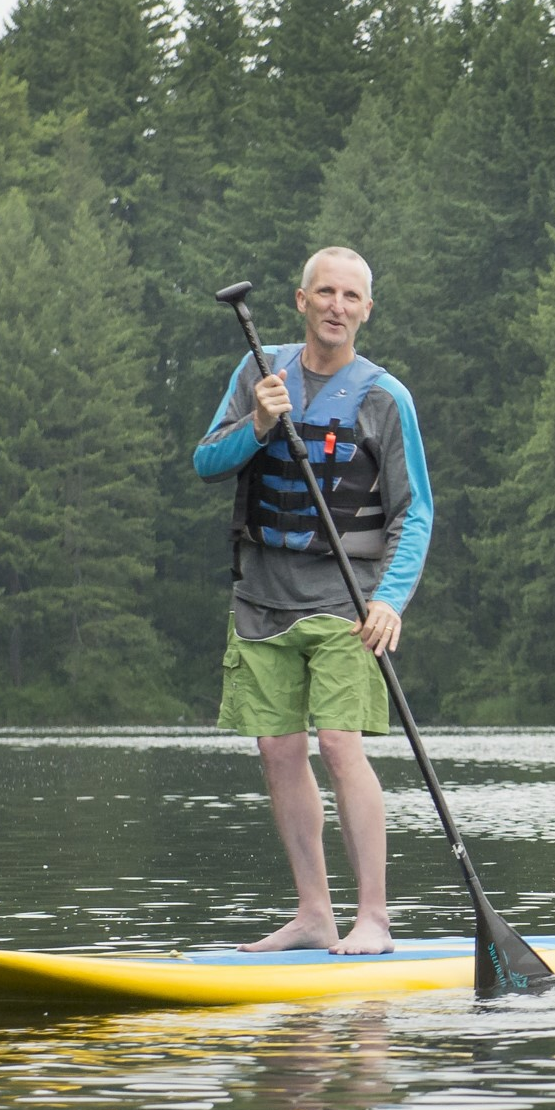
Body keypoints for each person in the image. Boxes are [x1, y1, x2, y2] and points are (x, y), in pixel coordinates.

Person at [193, 247, 432, 955]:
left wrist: (391, 600)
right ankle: (313, 914)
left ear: (366, 309)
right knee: (277, 749)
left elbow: (414, 511)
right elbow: (207, 461)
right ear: (301, 302)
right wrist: (259, 426)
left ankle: (374, 920)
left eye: (350, 296)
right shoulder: (258, 372)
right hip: (262, 596)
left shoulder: (385, 397)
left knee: (338, 743)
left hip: (345, 600)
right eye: (324, 292)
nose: (336, 306)